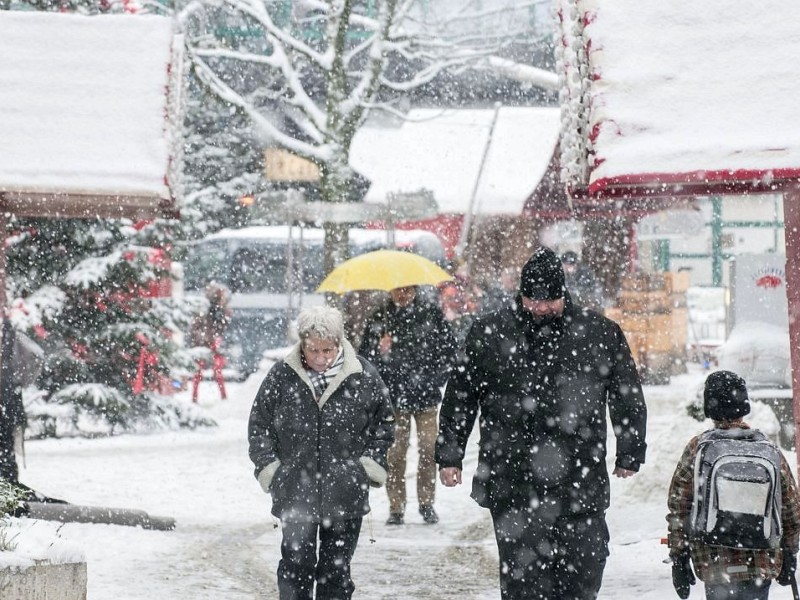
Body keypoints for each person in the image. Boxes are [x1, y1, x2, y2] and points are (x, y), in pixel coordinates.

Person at [436, 246, 647, 599]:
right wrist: (449, 454)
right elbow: (460, 396)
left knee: (582, 576)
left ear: (564, 293)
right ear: (521, 295)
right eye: (535, 300)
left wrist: (630, 450)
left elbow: (627, 395)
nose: (543, 307)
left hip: (580, 476)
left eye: (551, 299)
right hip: (513, 479)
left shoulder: (599, 333)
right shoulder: (488, 334)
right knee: (524, 584)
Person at [248, 305, 395, 600]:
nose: (320, 358)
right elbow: (259, 425)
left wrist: (366, 466)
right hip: (295, 491)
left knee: (336, 572)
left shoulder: (363, 375)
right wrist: (271, 470)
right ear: (302, 343)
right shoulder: (282, 376)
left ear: (339, 343)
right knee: (295, 567)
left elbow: (385, 424)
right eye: (313, 350)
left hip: (346, 492)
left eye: (327, 350)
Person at [667, 370, 800, 600]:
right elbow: (791, 507)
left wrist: (679, 556)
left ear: (710, 408)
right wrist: (790, 551)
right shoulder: (767, 449)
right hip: (760, 559)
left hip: (714, 561)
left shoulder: (699, 448)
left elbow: (679, 505)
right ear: (744, 405)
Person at [359, 284, 457, 525]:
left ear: (414, 290)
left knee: (428, 448)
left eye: (407, 290)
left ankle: (426, 502)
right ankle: (396, 506)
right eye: (397, 290)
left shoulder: (430, 314)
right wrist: (379, 352)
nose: (402, 295)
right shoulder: (380, 316)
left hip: (426, 396)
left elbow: (448, 350)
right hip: (394, 399)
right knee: (395, 453)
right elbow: (365, 358)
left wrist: (435, 379)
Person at [190, 282, 231, 402]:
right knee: (201, 373)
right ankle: (195, 398)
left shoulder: (220, 313)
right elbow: (196, 329)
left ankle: (222, 397)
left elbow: (221, 328)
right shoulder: (205, 312)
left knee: (216, 372)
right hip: (204, 346)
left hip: (211, 346)